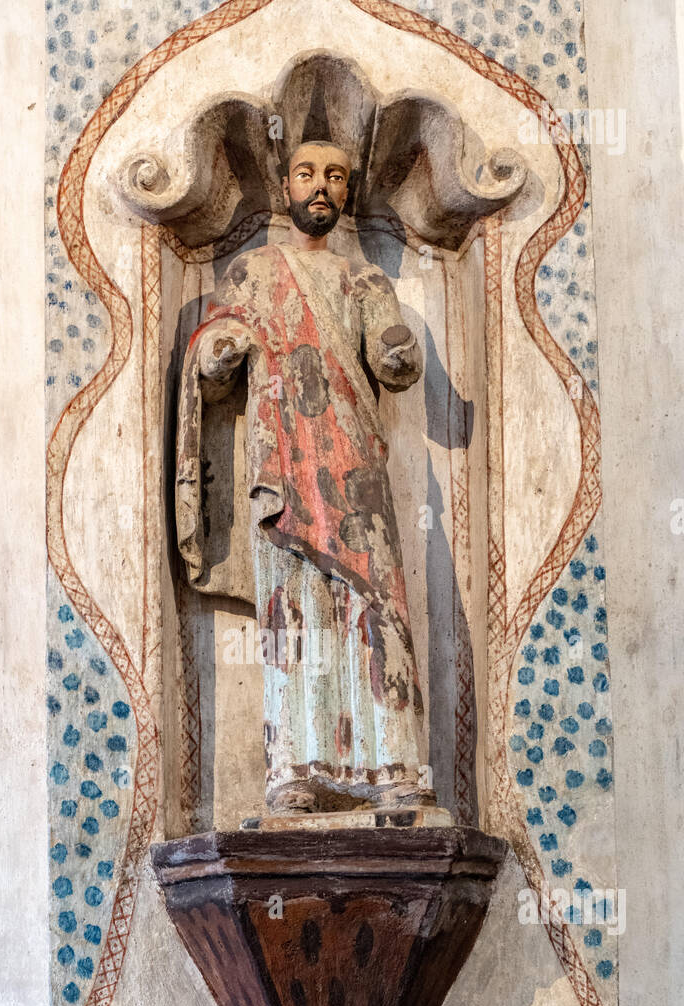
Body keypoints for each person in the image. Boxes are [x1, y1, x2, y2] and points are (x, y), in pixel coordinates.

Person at [177, 139, 428, 813]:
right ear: (286, 185)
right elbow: (210, 352)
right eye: (309, 174)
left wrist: (398, 351)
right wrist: (219, 351)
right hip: (283, 464)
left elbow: (390, 350)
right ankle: (299, 767)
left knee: (377, 605)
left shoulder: (363, 280)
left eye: (337, 177)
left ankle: (395, 763)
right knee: (297, 609)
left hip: (353, 465)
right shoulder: (252, 273)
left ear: (347, 194)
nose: (322, 186)